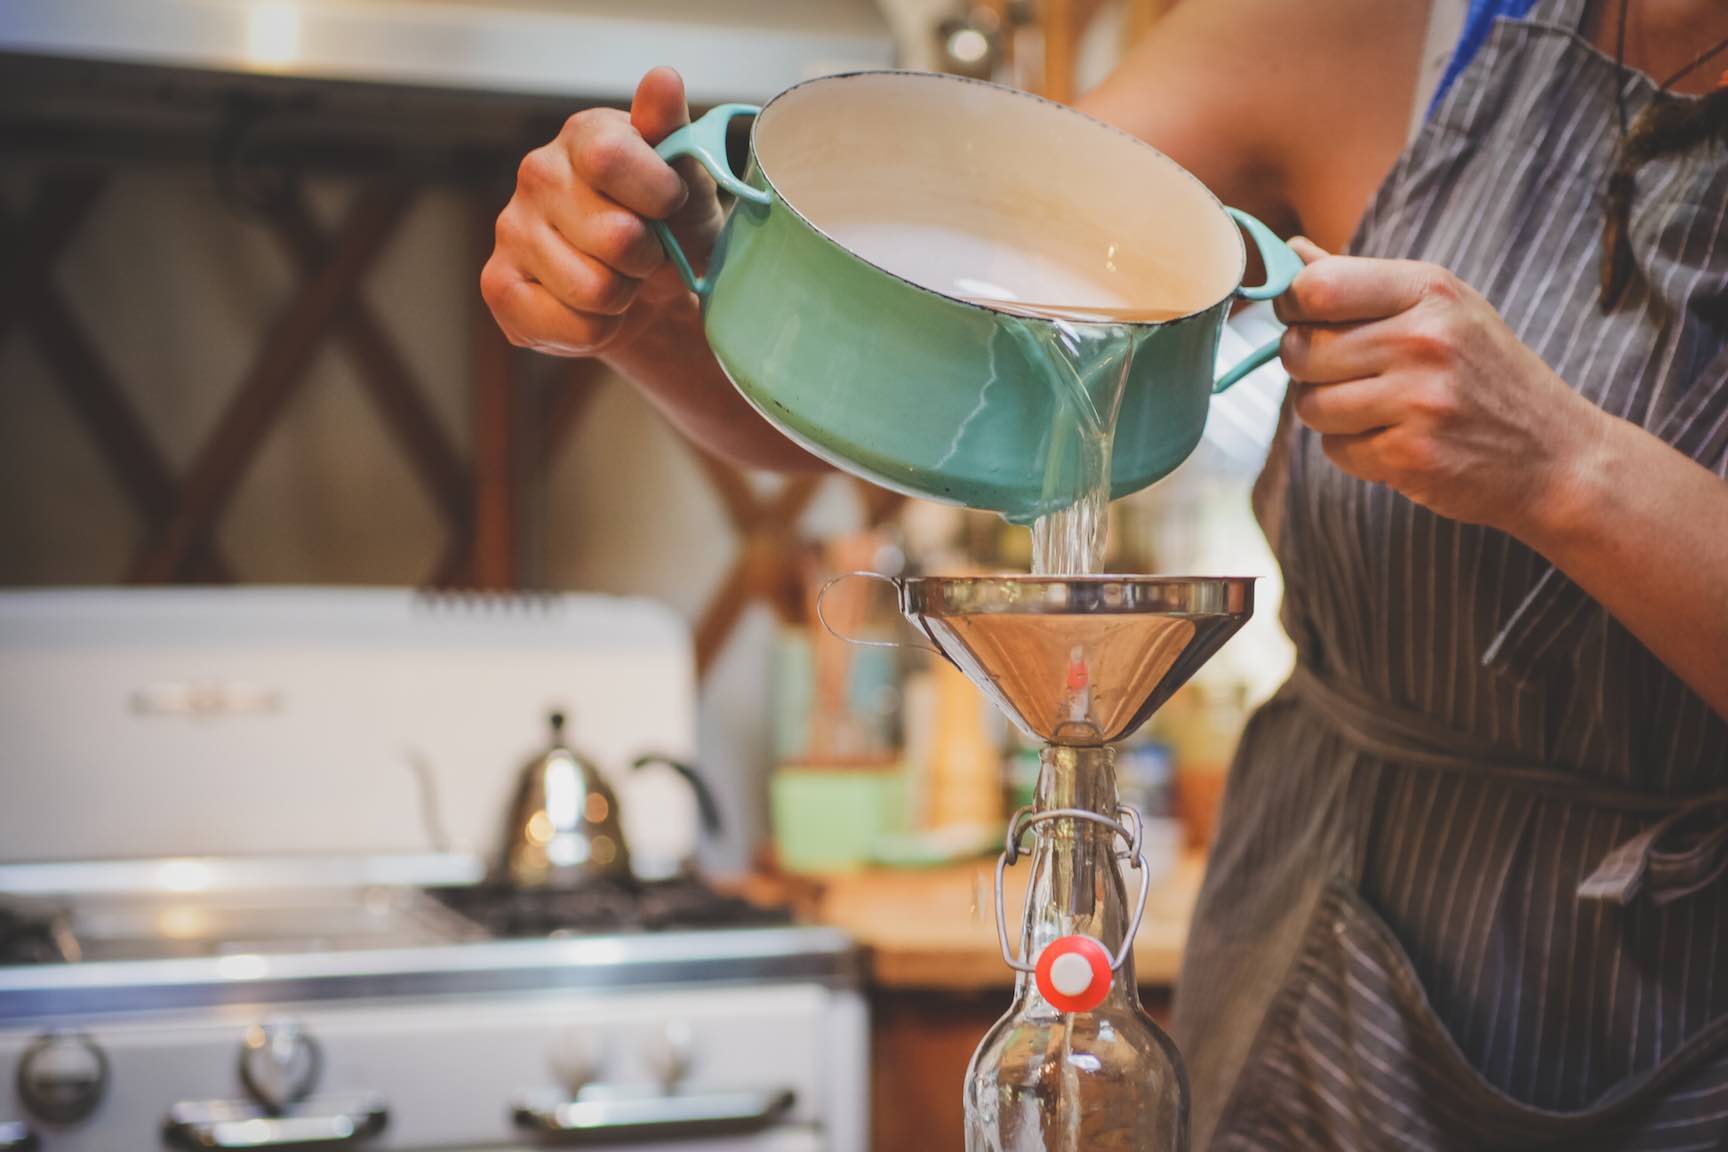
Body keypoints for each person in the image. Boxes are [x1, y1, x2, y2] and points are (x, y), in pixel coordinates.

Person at [482, 0, 1728, 1146]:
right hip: (1317, 950)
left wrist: (1572, 470)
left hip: (1682, 1016)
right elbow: (932, 357)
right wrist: (653, 308)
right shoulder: (1370, 19)